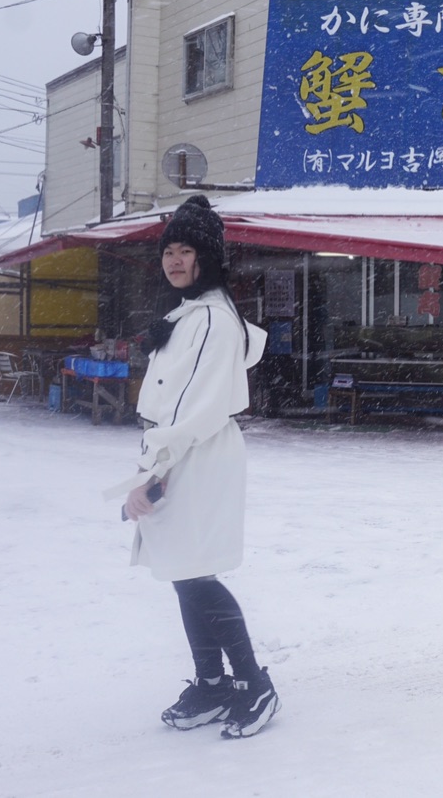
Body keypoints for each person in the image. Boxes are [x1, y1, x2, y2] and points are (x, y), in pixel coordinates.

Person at [104, 196, 276, 739]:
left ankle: (253, 684)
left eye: (187, 251)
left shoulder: (210, 322)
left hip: (193, 456)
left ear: (208, 258)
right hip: (184, 452)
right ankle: (212, 682)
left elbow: (189, 414)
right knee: (185, 572)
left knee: (196, 574)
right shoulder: (191, 315)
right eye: (169, 251)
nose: (175, 261)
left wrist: (148, 480)